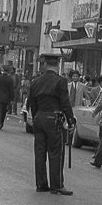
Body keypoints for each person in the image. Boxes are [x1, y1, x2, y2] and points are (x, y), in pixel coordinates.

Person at [26, 53, 74, 195]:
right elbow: (65, 103)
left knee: (40, 152)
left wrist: (36, 118)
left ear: (45, 64)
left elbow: (31, 103)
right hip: (54, 118)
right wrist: (70, 120)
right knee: (55, 152)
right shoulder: (60, 81)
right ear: (57, 65)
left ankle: (41, 184)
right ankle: (57, 184)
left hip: (39, 117)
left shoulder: (36, 81)